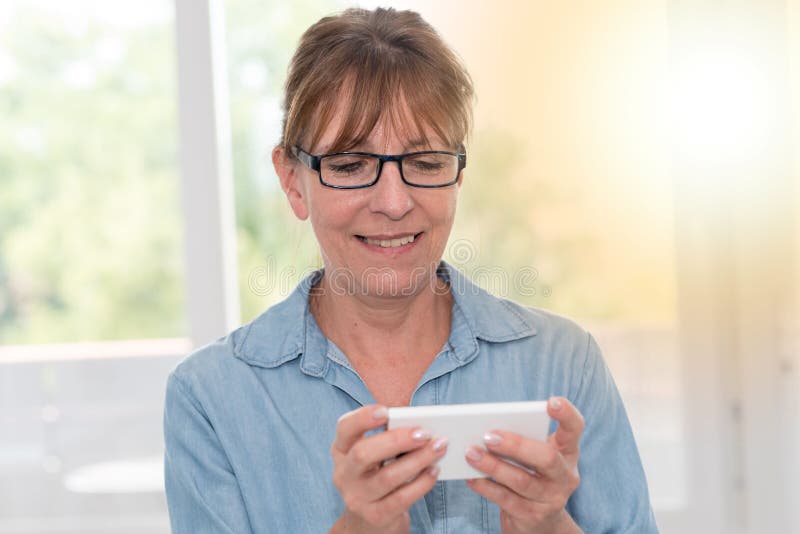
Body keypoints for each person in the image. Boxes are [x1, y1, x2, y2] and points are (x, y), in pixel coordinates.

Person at [163, 7, 658, 533]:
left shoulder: (563, 365)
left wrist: (549, 526)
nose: (395, 202)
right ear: (292, 181)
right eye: (351, 165)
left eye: (425, 163)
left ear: (459, 175)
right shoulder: (211, 397)